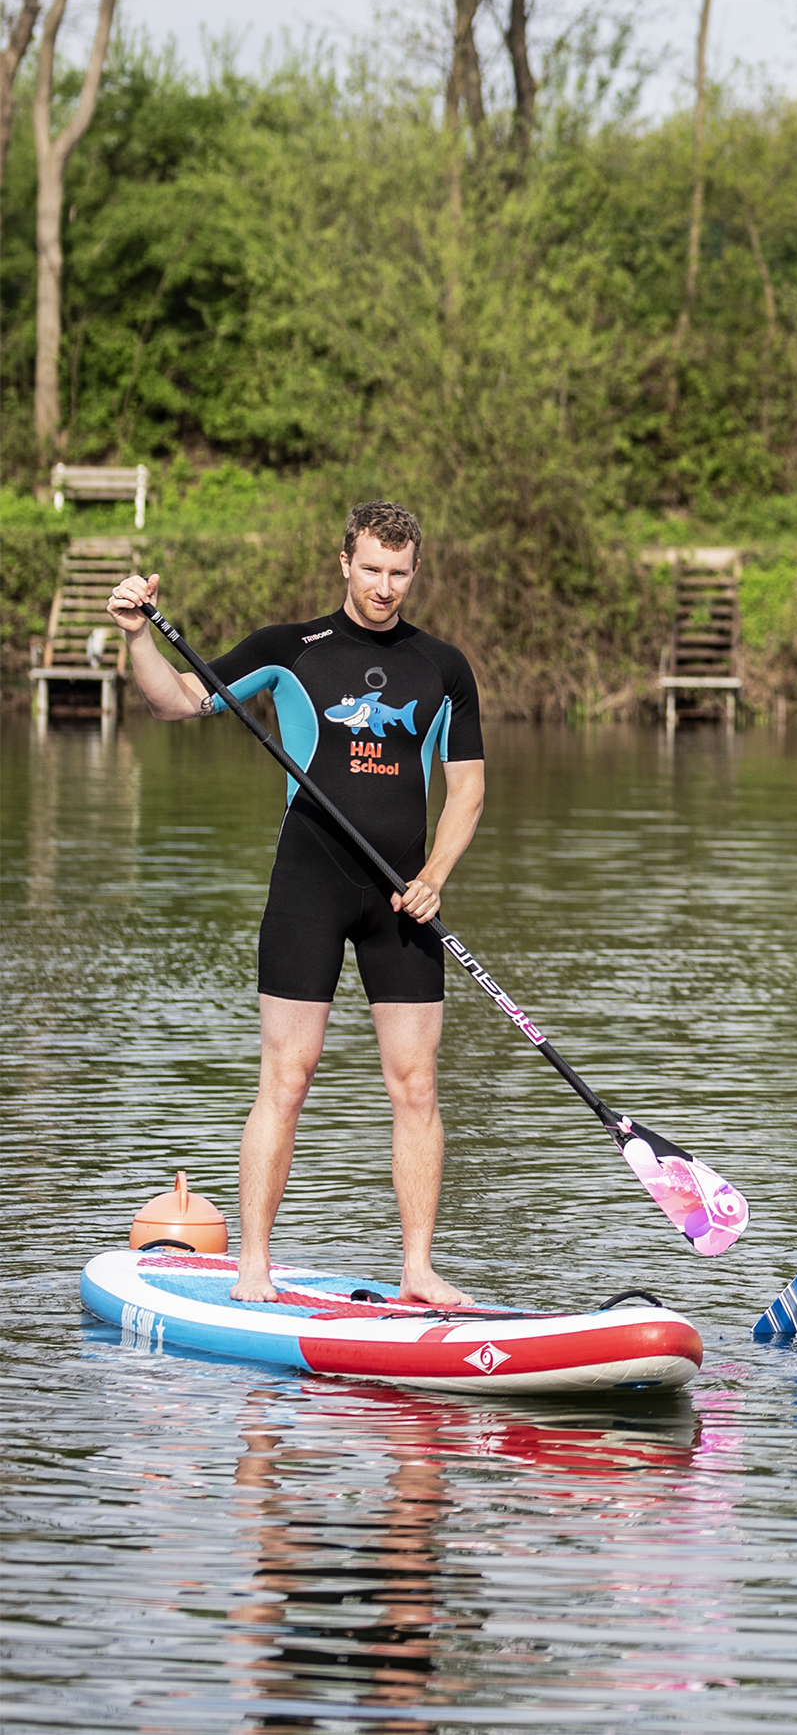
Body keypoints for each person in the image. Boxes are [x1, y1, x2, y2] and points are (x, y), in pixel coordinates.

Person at [108, 503, 486, 1305]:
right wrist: (139, 635)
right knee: (288, 1075)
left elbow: (469, 789)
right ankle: (252, 1266)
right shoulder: (289, 652)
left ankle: (416, 1268)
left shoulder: (443, 666)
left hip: (402, 897)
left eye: (400, 572)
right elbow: (175, 700)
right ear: (344, 561)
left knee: (415, 1084)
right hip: (308, 883)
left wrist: (436, 875)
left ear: (415, 572)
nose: (385, 587)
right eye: (372, 568)